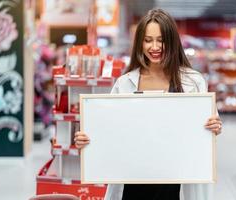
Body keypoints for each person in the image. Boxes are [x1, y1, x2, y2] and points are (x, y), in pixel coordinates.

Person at [74, 8, 222, 200]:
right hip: (133, 183)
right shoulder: (125, 83)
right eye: (148, 40)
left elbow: (205, 132)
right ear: (140, 43)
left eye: (161, 40)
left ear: (172, 41)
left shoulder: (193, 82)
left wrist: (214, 127)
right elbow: (110, 130)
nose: (154, 47)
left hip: (176, 183)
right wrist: (88, 141)